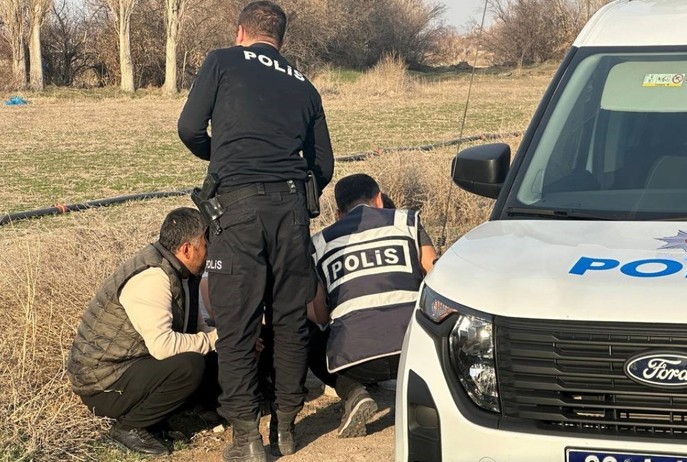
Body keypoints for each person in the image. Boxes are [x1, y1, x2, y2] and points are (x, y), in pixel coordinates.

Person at [177, 1, 334, 460]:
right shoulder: (305, 85)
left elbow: (189, 129)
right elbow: (322, 163)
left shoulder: (222, 61)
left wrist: (223, 155)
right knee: (289, 321)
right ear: (280, 39)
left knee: (238, 324)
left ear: (240, 31)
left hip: (237, 212)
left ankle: (246, 437)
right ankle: (286, 428)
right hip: (291, 213)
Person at [66, 207, 218, 456]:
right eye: (206, 242)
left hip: (131, 365)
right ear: (187, 249)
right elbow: (163, 346)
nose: (210, 249)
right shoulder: (153, 277)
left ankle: (162, 418)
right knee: (189, 366)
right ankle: (129, 427)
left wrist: (222, 338)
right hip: (103, 384)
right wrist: (215, 339)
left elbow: (195, 325)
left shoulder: (179, 269)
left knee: (204, 352)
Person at [309, 174, 436, 438]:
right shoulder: (406, 221)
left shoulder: (320, 243)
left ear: (338, 213)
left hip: (358, 362)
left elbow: (320, 314)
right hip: (412, 351)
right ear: (379, 198)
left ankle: (353, 392)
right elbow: (436, 278)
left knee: (309, 333)